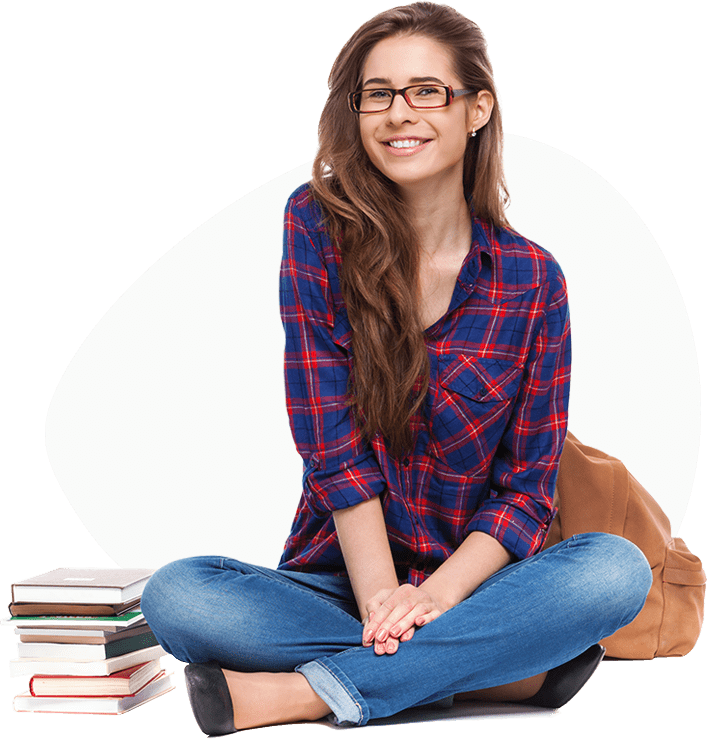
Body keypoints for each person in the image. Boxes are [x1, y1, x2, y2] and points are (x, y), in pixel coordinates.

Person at [140, 2, 652, 734]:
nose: (396, 113)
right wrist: (384, 597)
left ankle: (307, 692)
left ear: (476, 108)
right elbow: (328, 441)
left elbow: (525, 491)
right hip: (337, 583)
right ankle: (504, 672)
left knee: (613, 569)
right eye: (376, 93)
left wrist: (435, 600)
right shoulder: (315, 225)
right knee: (179, 596)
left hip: (476, 586)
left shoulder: (532, 279)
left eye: (425, 91)